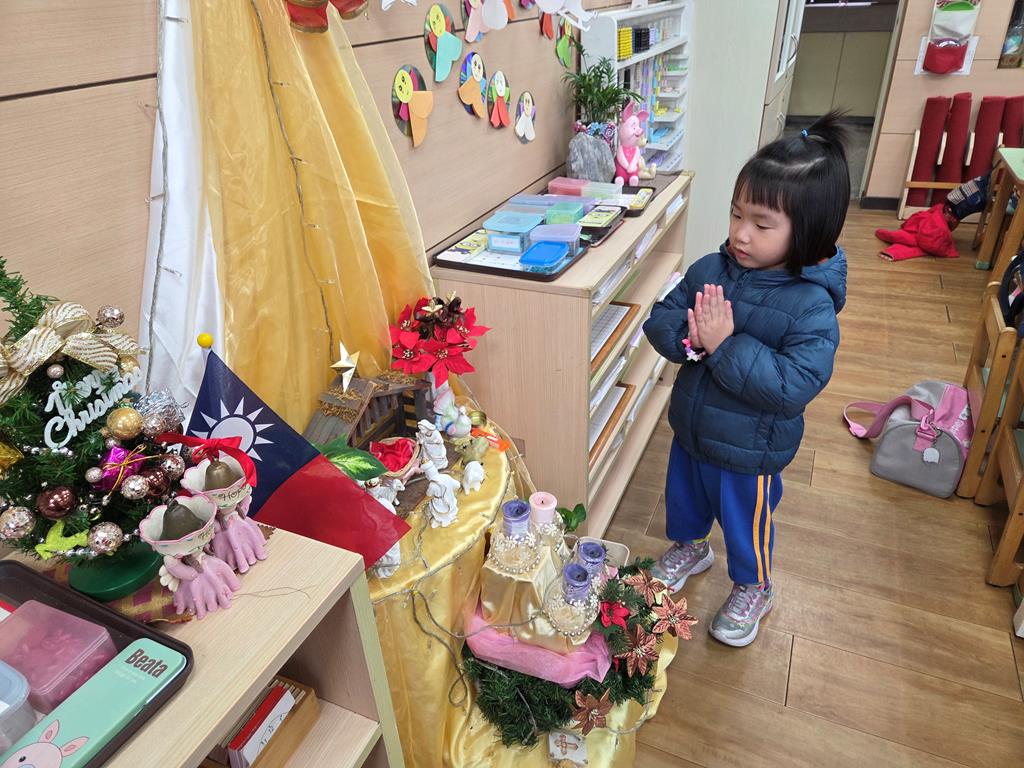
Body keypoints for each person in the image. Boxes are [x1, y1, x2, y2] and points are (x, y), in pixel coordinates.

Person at [642, 111, 850, 647]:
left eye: (761, 224)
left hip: (751, 451)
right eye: (736, 214)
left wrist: (724, 345)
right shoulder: (711, 270)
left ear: (807, 232)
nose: (739, 232)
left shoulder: (811, 307)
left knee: (745, 523)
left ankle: (755, 586)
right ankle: (691, 546)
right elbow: (663, 317)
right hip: (692, 428)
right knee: (684, 499)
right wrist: (690, 341)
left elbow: (791, 387)